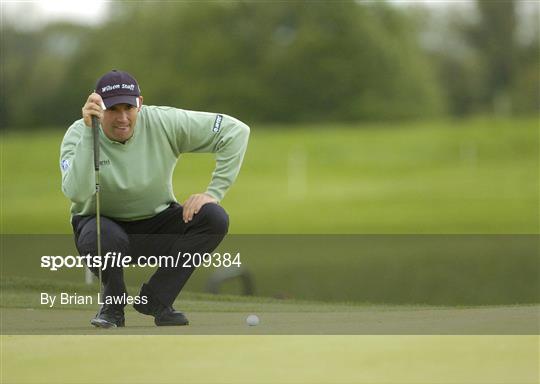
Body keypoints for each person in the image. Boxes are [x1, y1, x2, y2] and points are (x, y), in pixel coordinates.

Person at [60, 70, 249, 328]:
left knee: (213, 218)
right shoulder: (78, 134)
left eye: (129, 107)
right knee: (102, 235)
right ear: (98, 108)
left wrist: (213, 193)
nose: (123, 117)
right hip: (101, 227)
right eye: (113, 109)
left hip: (156, 223)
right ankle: (112, 307)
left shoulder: (163, 121)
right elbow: (77, 193)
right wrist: (88, 132)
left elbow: (235, 131)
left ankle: (157, 299)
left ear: (140, 103)